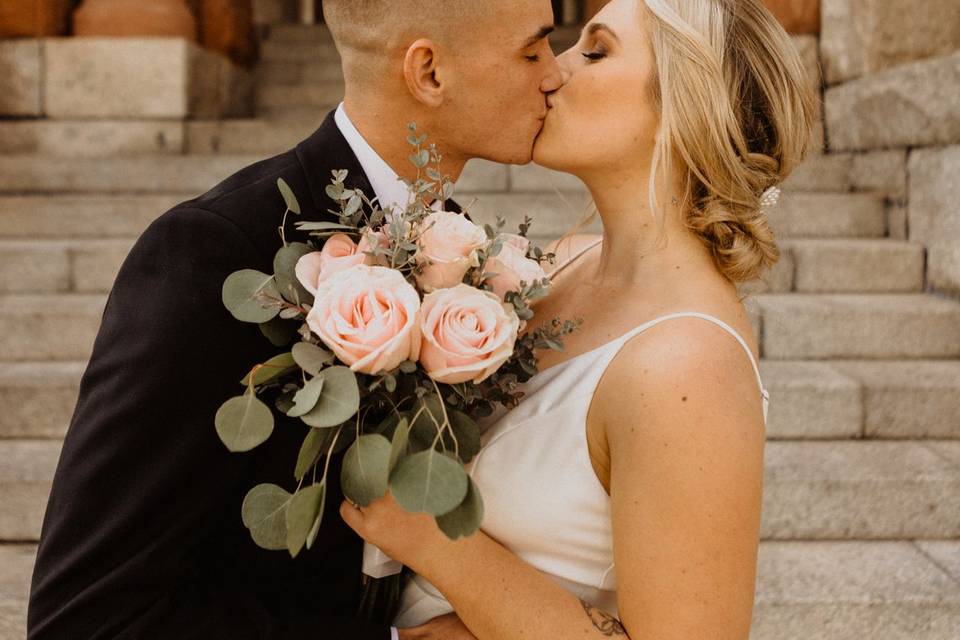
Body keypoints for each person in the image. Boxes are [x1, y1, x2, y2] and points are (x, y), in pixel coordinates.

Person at [26, 1, 561, 638]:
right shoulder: (216, 253)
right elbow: (85, 618)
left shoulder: (468, 255)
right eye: (532, 52)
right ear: (429, 74)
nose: (555, 75)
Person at [339, 0, 818, 638]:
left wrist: (434, 540)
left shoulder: (690, 366)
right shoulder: (551, 268)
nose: (550, 71)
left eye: (594, 52)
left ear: (685, 103)